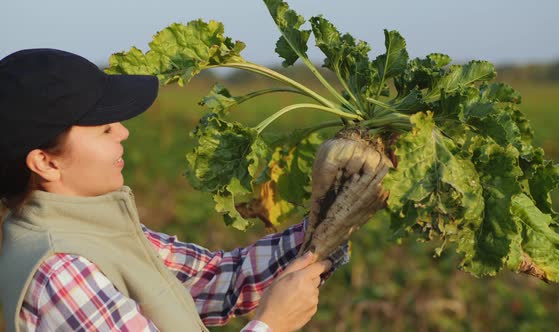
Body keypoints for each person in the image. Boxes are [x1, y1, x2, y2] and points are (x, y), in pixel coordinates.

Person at [0, 49, 351, 332]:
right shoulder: (60, 271)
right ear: (45, 163)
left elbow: (213, 279)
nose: (124, 133)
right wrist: (273, 324)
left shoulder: (97, 228)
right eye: (105, 130)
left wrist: (338, 215)